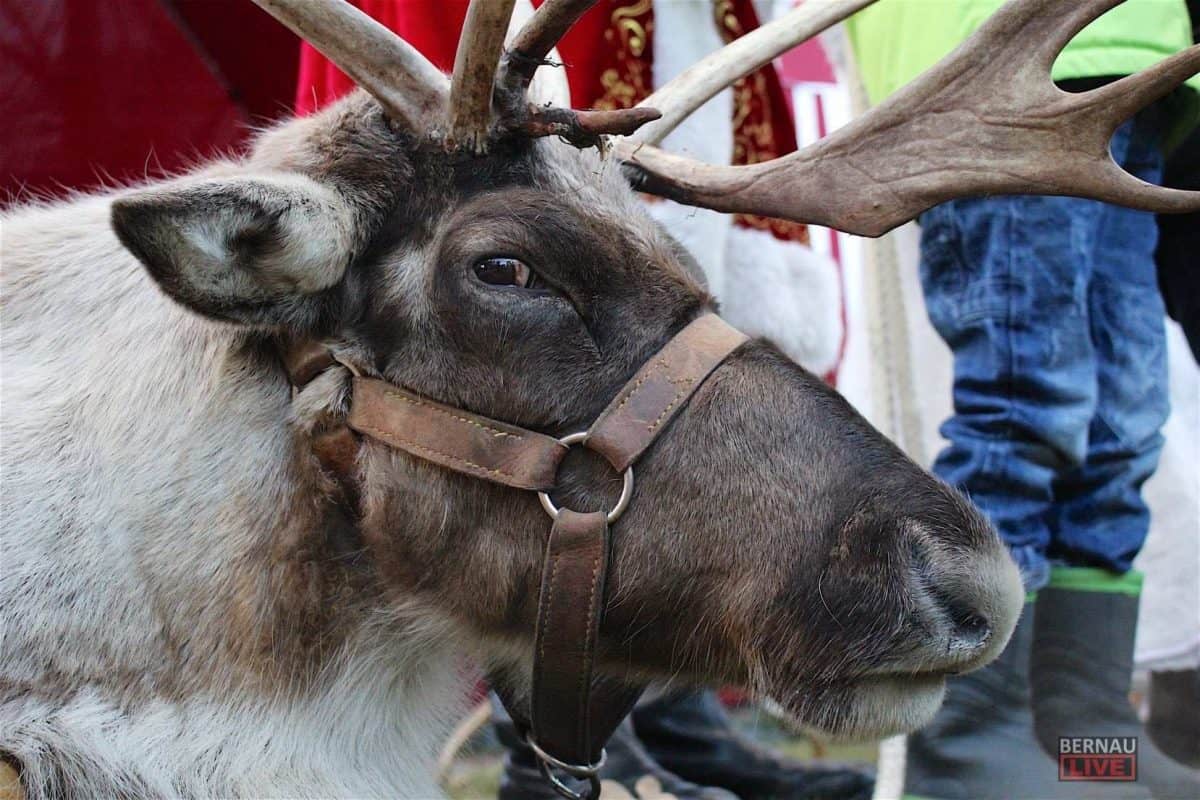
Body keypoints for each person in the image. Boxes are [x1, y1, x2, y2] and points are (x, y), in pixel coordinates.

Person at [846, 2, 1200, 798]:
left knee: (1122, 426)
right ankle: (969, 743)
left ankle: (1082, 734)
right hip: (998, 60)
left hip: (1136, 61)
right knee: (1024, 407)